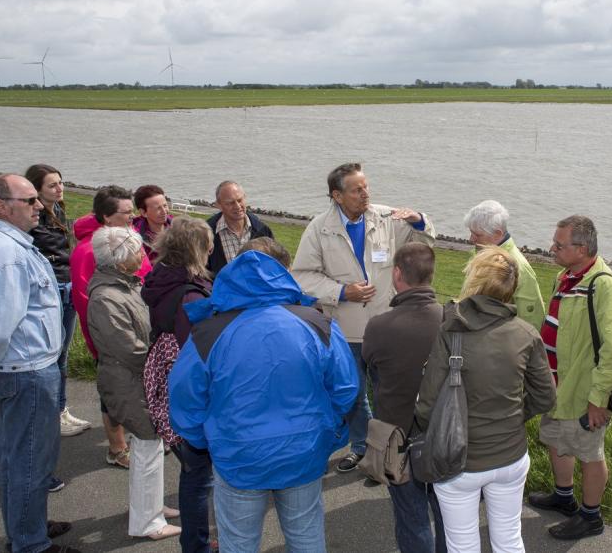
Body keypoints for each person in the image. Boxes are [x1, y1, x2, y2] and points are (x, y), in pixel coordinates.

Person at [169, 238, 359, 552]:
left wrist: (206, 440)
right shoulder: (317, 323)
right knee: (306, 535)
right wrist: (328, 430)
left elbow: (185, 399)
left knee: (240, 543)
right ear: (284, 273)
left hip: (238, 453)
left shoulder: (209, 331)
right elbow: (345, 387)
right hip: (303, 447)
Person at [293, 162, 436, 473]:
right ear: (337, 195)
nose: (365, 193)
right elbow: (302, 276)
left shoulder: (386, 217)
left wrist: (421, 221)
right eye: (357, 190)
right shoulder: (319, 228)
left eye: (366, 186)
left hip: (388, 326)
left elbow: (423, 247)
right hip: (347, 329)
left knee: (392, 393)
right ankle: (361, 447)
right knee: (354, 394)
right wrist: (343, 291)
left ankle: (392, 452)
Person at [0, 175, 79, 553]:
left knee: (17, 460)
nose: (39, 206)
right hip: (26, 371)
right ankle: (30, 543)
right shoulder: (6, 254)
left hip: (18, 368)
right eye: (29, 200)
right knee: (30, 463)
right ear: (1, 205)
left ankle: (26, 527)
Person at [416, 246, 556, 552]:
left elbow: (426, 406)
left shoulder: (451, 333)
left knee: (462, 543)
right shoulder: (526, 333)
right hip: (511, 455)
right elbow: (546, 397)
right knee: (508, 538)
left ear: (475, 282)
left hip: (460, 461)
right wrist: (517, 415)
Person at [529, 215, 612, 540]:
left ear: (582, 248)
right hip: (557, 387)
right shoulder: (565, 276)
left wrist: (597, 398)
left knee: (589, 453)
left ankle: (590, 517)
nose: (552, 249)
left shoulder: (604, 285)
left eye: (560, 245)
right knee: (557, 440)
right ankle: (564, 497)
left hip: (583, 393)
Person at [87, 226, 181, 541]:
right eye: (137, 251)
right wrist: (164, 360)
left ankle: (149, 507)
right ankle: (147, 521)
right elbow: (127, 348)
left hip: (136, 378)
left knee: (149, 447)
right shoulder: (107, 297)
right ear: (122, 261)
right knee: (148, 445)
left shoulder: (123, 286)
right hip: (129, 380)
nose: (142, 255)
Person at [361, 242, 447, 552]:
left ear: (397, 274)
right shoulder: (452, 320)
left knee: (412, 519)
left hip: (398, 439)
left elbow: (370, 364)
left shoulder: (380, 326)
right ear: (431, 274)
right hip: (444, 437)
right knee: (447, 516)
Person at [141, 216, 214, 553]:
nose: (212, 247)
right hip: (188, 393)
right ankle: (196, 545)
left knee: (192, 471)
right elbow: (197, 354)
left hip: (165, 384)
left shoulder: (161, 279)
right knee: (199, 476)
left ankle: (194, 542)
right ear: (197, 249)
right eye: (208, 242)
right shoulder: (190, 295)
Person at [70, 185, 152, 468]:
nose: (132, 217)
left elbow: (146, 277)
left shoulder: (129, 241)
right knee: (114, 391)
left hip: (136, 325)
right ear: (106, 216)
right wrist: (98, 347)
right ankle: (117, 448)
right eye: (126, 213)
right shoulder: (87, 252)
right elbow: (85, 303)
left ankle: (140, 437)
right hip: (109, 338)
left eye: (132, 211)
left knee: (135, 393)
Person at [26, 164, 91, 440]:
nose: (60, 188)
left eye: (61, 183)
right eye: (52, 185)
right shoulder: (35, 216)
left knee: (61, 354)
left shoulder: (59, 211)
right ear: (37, 188)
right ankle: (53, 412)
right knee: (55, 354)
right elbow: (52, 250)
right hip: (53, 288)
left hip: (67, 286)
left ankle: (60, 409)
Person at [463, 199, 545, 330]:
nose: (471, 239)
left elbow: (531, 321)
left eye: (477, 234)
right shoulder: (482, 252)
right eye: (471, 232)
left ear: (497, 234)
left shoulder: (519, 267)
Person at [206, 181, 273, 276]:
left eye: (240, 200)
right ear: (219, 205)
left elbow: (273, 266)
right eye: (230, 203)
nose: (237, 206)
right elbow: (201, 271)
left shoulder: (263, 231)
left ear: (245, 198)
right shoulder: (206, 233)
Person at [132, 184, 172, 260]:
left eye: (165, 205)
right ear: (143, 212)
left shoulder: (179, 229)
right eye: (158, 208)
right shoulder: (135, 240)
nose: (164, 211)